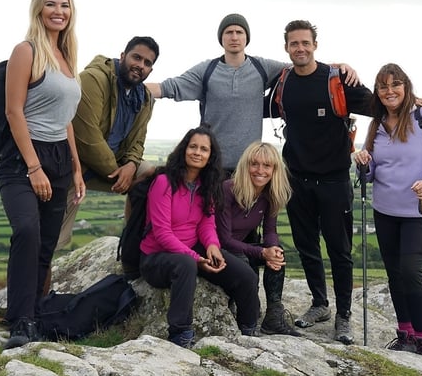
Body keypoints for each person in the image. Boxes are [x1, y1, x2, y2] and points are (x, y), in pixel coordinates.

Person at [263, 19, 374, 345]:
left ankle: (344, 316)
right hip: (296, 178)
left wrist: (416, 102)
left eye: (305, 43)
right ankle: (320, 305)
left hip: (334, 179)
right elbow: (257, 107)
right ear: (286, 48)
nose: (300, 48)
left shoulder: (337, 79)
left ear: (315, 45)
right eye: (294, 43)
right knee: (307, 246)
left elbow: (378, 105)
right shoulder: (282, 82)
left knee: (340, 252)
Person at [145, 13, 359, 173]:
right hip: (212, 165)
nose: (234, 37)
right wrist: (130, 85)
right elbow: (169, 87)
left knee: (244, 229)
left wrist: (337, 67)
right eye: (229, 32)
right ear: (221, 38)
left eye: (240, 32)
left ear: (247, 38)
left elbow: (302, 66)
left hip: (249, 168)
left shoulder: (261, 67)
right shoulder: (206, 70)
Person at [0, 0, 85, 349]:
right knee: (27, 232)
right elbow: (13, 110)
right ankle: (19, 322)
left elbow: (65, 119)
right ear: (38, 9)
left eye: (64, 5)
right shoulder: (26, 51)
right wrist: (34, 168)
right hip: (23, 159)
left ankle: (32, 316)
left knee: (46, 245)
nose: (58, 11)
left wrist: (77, 168)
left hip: (60, 159)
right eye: (51, 4)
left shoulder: (66, 57)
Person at [353, 63, 422, 358]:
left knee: (411, 271)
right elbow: (371, 174)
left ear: (406, 87)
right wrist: (363, 162)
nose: (389, 91)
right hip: (385, 210)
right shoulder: (376, 124)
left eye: (395, 84)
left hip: (420, 210)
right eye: (383, 87)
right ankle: (405, 334)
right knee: (395, 274)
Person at [139, 125, 260, 348]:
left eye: (204, 149)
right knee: (186, 264)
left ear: (210, 156)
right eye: (193, 146)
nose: (197, 152)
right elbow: (163, 233)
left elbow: (207, 222)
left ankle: (248, 331)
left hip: (193, 249)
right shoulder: (164, 183)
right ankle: (180, 333)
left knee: (247, 276)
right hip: (157, 258)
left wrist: (212, 246)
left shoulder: (207, 186)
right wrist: (195, 258)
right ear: (184, 150)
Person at [57, 36, 160, 251]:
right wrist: (118, 173)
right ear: (123, 56)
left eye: (147, 63)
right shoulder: (93, 79)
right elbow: (87, 139)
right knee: (53, 238)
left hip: (114, 164)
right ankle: (38, 279)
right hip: (74, 165)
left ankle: (133, 246)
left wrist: (131, 165)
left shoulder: (145, 98)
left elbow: (138, 141)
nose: (140, 65)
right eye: (137, 57)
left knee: (151, 176)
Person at [216, 141, 300, 336]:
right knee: (245, 262)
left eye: (267, 165)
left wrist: (272, 250)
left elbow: (270, 230)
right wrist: (262, 252)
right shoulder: (228, 189)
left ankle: (273, 317)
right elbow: (224, 239)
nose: (260, 170)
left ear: (274, 169)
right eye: (254, 164)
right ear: (246, 165)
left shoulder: (270, 194)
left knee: (278, 254)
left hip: (240, 248)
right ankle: (245, 321)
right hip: (218, 249)